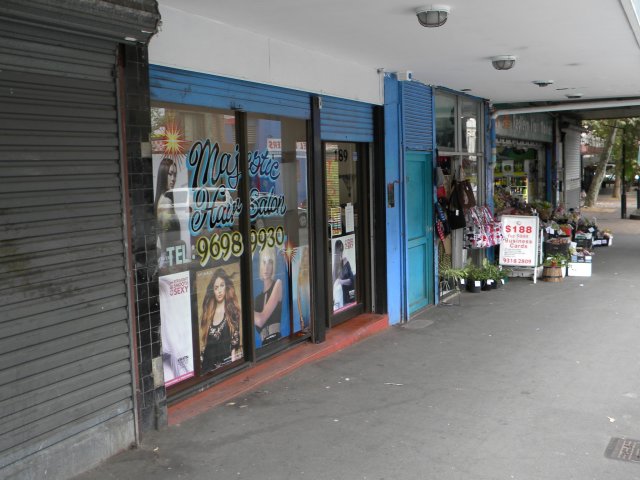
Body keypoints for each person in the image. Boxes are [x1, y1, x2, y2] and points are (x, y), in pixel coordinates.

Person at [200, 268, 242, 372]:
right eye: (216, 287)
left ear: (226, 287)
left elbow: (234, 342)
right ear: (213, 291)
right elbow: (206, 346)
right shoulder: (209, 314)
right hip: (206, 367)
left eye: (222, 286)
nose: (219, 290)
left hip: (224, 366)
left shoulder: (232, 311)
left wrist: (233, 365)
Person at [154, 158, 183, 263]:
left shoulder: (162, 198)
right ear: (163, 175)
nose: (173, 178)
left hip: (170, 254)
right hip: (170, 257)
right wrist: (164, 254)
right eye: (170, 174)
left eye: (175, 175)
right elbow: (164, 231)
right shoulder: (166, 201)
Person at [254, 246, 283, 345]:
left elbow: (260, 320)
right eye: (263, 262)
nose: (266, 267)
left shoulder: (277, 284)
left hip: (276, 341)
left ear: (273, 265)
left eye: (270, 262)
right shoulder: (257, 299)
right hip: (264, 345)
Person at [332, 239, 355, 309]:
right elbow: (333, 282)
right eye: (338, 250)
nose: (340, 253)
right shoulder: (335, 264)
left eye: (341, 250)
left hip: (348, 295)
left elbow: (352, 280)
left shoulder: (345, 261)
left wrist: (341, 282)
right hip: (340, 297)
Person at [296, 246, 310, 331]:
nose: (306, 258)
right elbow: (298, 298)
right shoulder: (300, 274)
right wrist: (301, 317)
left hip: (311, 311)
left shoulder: (311, 272)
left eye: (308, 255)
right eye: (305, 256)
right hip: (303, 314)